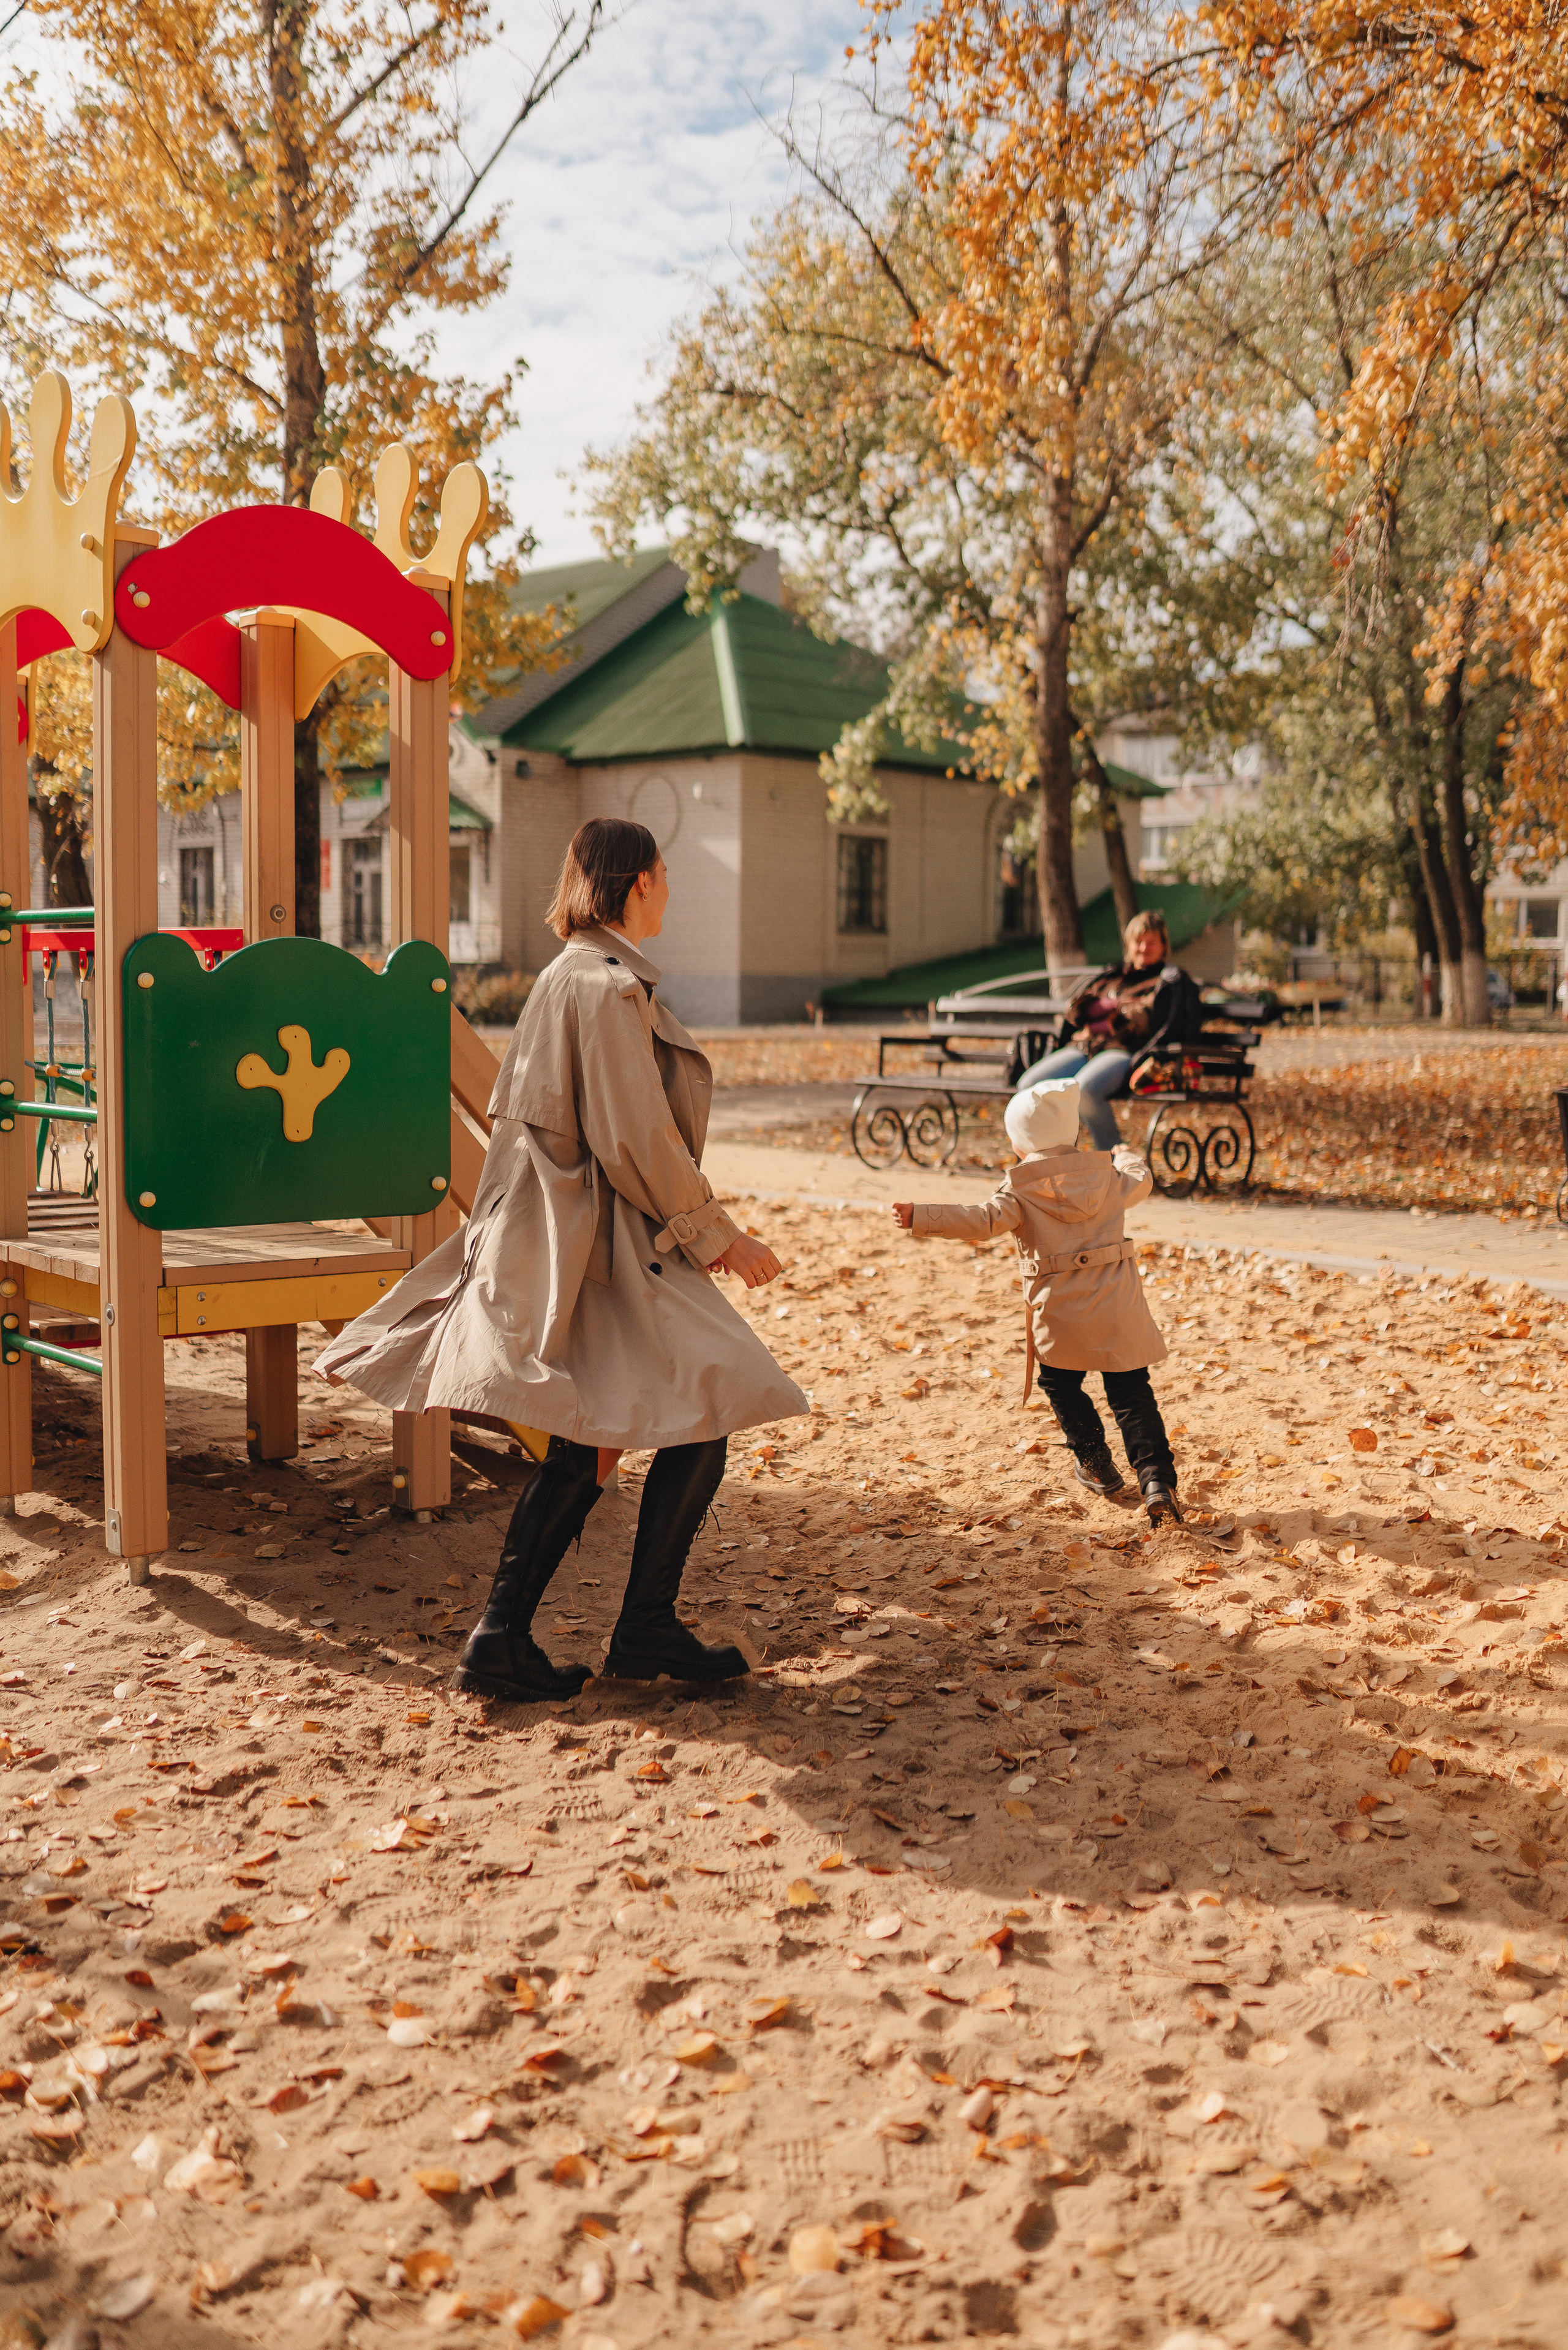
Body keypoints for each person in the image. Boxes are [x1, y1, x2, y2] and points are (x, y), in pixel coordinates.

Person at [316, 816, 807, 1701]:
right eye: (663, 874)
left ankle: (513, 1638)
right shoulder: (607, 985)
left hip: (565, 1235)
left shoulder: (566, 974)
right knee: (709, 1395)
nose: (668, 890)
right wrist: (719, 1235)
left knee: (600, 1437)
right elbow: (635, 1136)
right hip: (596, 1243)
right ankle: (624, 1627)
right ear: (636, 884)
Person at [889, 1077, 1182, 1526]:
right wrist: (1127, 1155)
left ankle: (1096, 1462)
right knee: (1132, 1395)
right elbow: (1140, 1182)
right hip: (1117, 1307)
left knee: (1060, 1385)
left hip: (1061, 1313)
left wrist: (922, 1215)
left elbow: (981, 1220)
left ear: (1022, 1144)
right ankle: (1157, 1481)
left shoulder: (1020, 1187)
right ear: (1072, 1135)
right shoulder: (1108, 1176)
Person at [1014, 909, 1196, 1150]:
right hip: (1086, 1048)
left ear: (1164, 946)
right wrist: (1109, 1013)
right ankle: (1052, 1157)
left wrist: (1100, 1018)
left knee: (1085, 1089)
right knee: (1029, 1085)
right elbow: (1077, 1011)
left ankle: (1114, 1161)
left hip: (1126, 1052)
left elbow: (1139, 1021)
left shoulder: (1168, 981)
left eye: (1151, 942)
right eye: (1138, 942)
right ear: (1129, 945)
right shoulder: (1114, 976)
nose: (1143, 948)